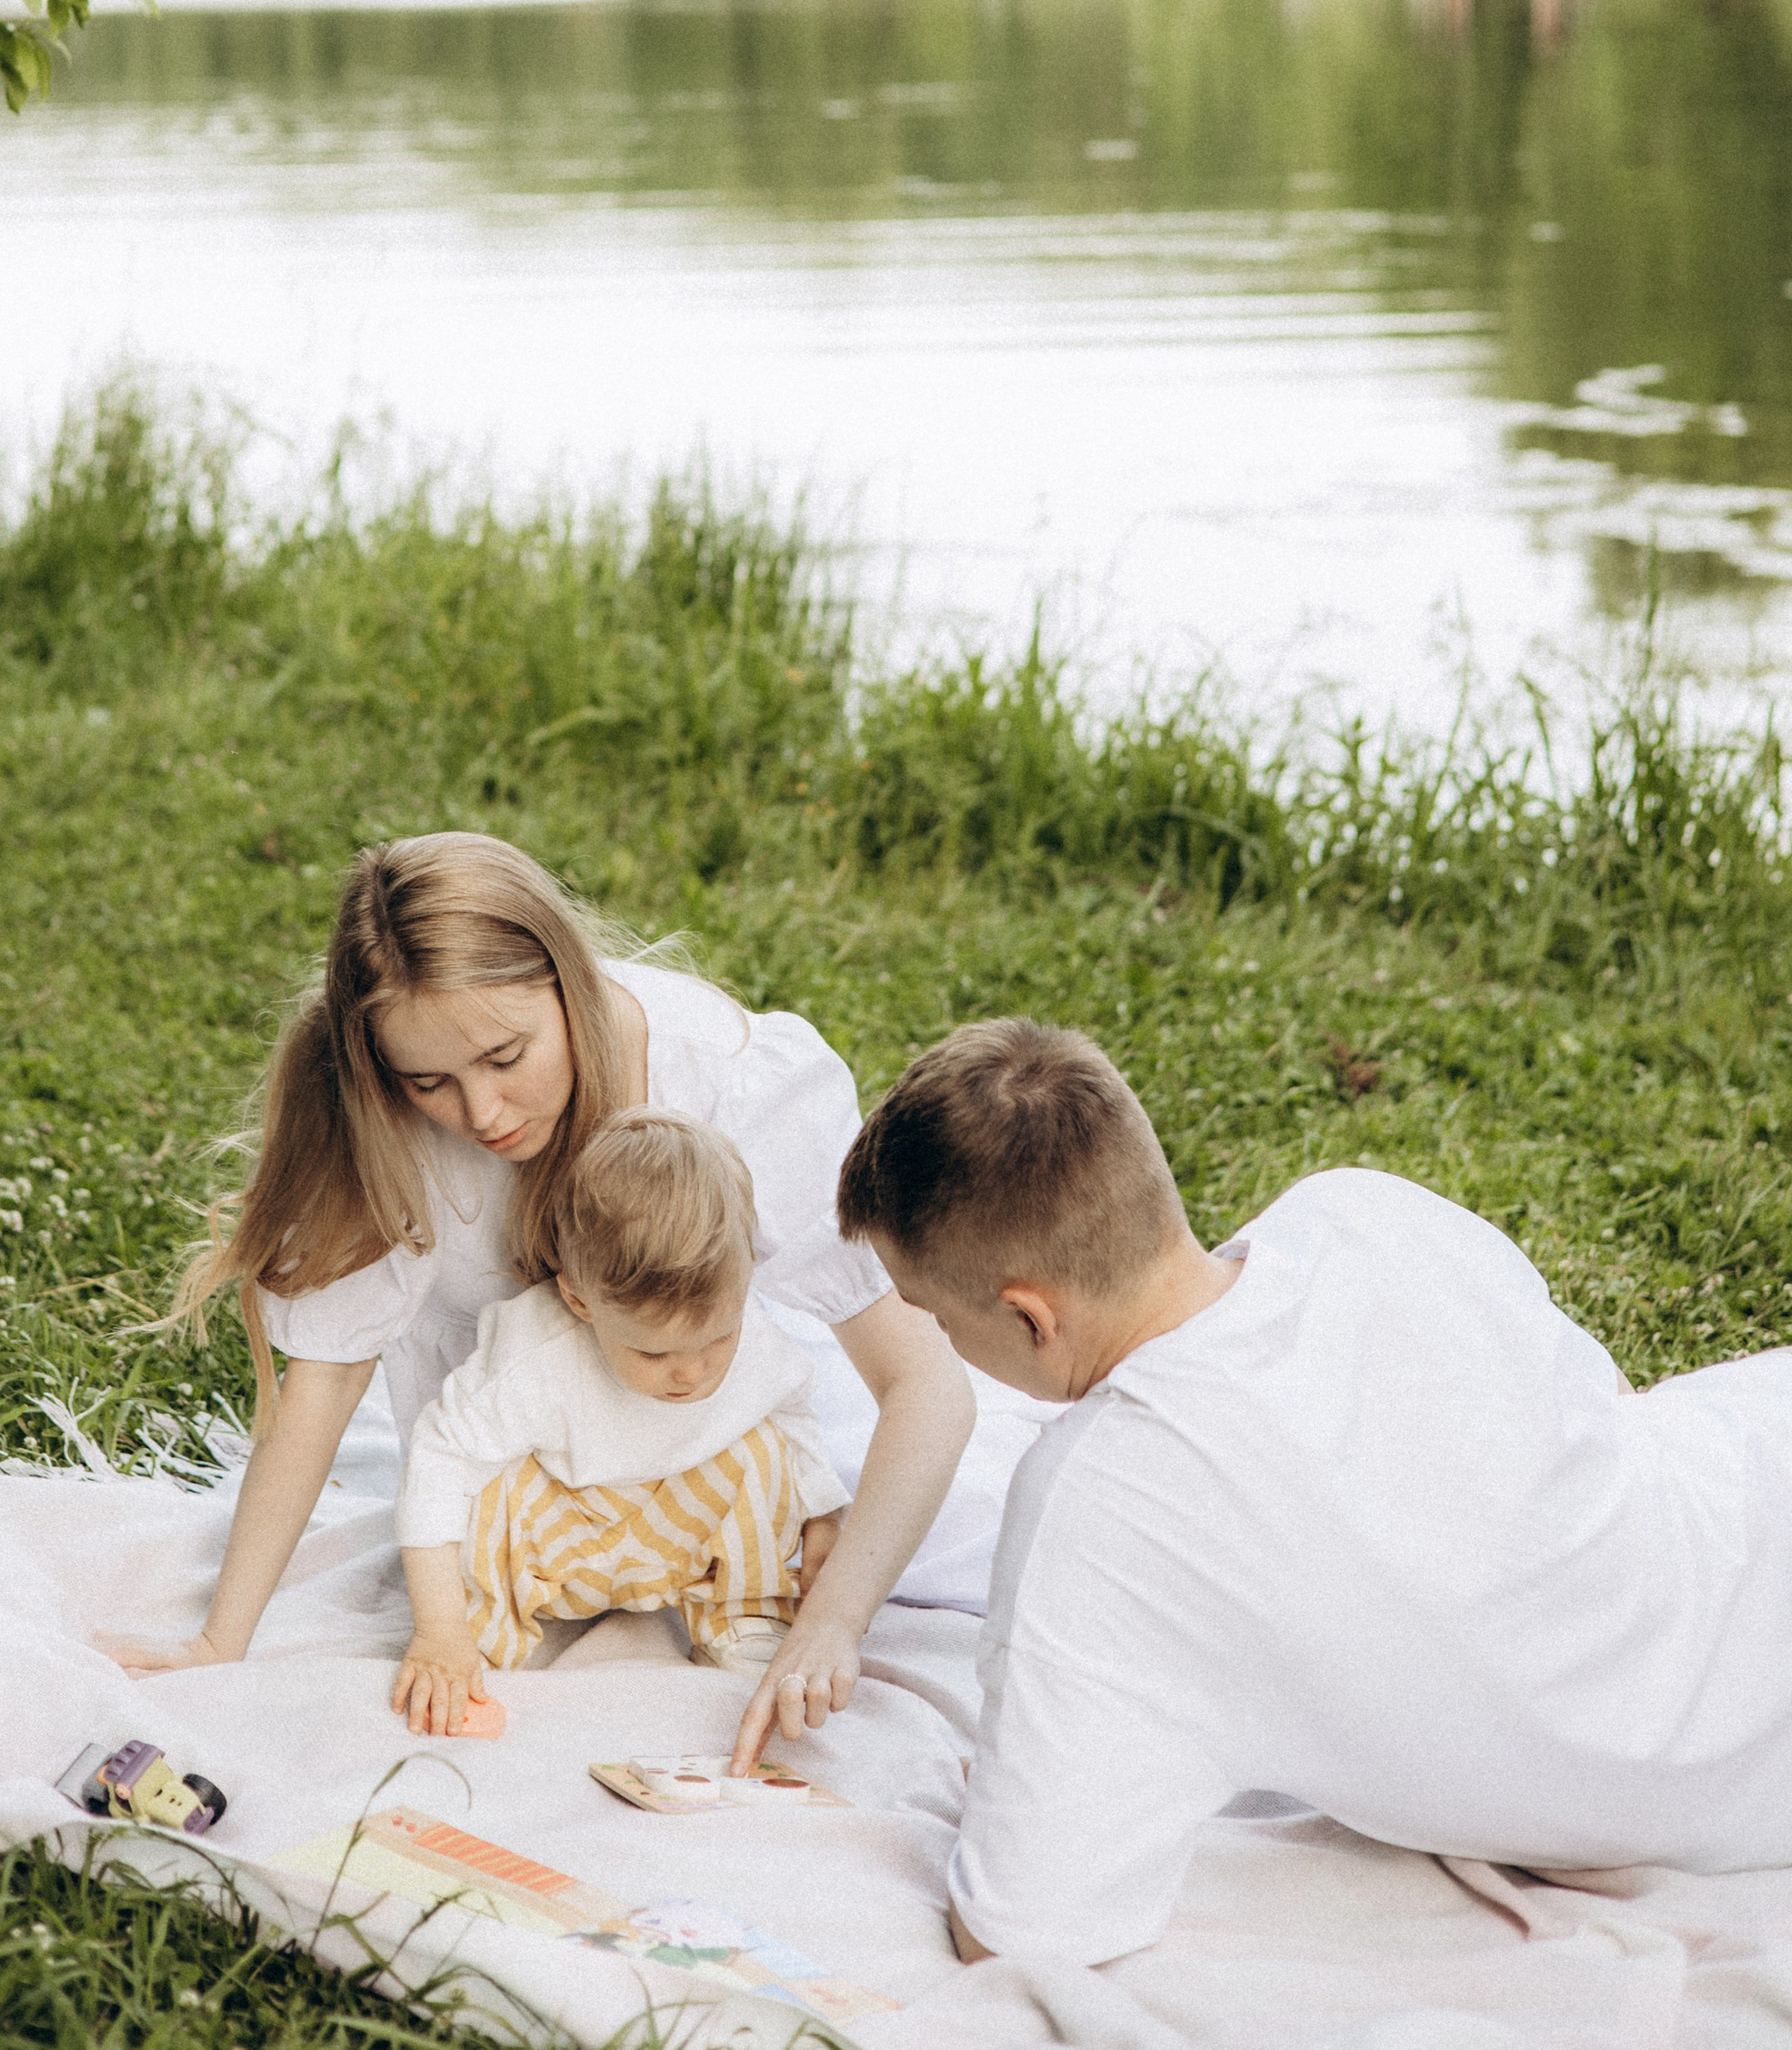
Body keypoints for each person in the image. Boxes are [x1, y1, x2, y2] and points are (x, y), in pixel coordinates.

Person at [836, 1015, 1792, 1974]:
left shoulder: (1099, 1507)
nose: (940, 1347)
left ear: (1028, 1315)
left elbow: (1021, 1931)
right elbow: (1609, 1406)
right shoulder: (1362, 1212)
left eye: (935, 1316)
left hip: (1728, 1783)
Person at [100, 830, 976, 1770]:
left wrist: (834, 1622)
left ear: (568, 982)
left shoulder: (718, 1077)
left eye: (505, 1055)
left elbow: (924, 1381)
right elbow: (322, 1388)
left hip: (691, 1429)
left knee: (902, 1531)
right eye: (428, 1081)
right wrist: (218, 1642)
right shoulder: (387, 1130)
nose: (481, 1114)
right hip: (517, 1476)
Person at [390, 1106, 851, 1733]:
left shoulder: (756, 1339)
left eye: (717, 1340)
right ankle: (481, 1636)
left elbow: (794, 1414)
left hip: (680, 1535)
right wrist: (438, 1629)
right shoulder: (537, 1356)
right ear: (580, 1301)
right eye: (653, 1353)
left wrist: (824, 1515)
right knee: (489, 1488)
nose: (691, 1372)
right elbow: (439, 1459)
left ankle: (742, 1616)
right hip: (565, 1536)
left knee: (765, 1450)